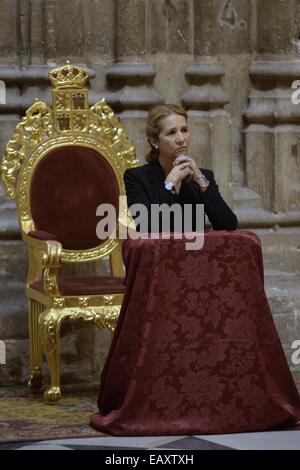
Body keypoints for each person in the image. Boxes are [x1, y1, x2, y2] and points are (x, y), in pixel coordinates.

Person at [123, 103, 238, 233]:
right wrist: (170, 182)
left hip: (195, 251)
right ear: (154, 141)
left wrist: (201, 179)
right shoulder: (136, 177)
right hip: (158, 252)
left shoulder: (202, 176)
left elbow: (228, 225)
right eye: (171, 132)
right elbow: (146, 227)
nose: (181, 139)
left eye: (184, 130)